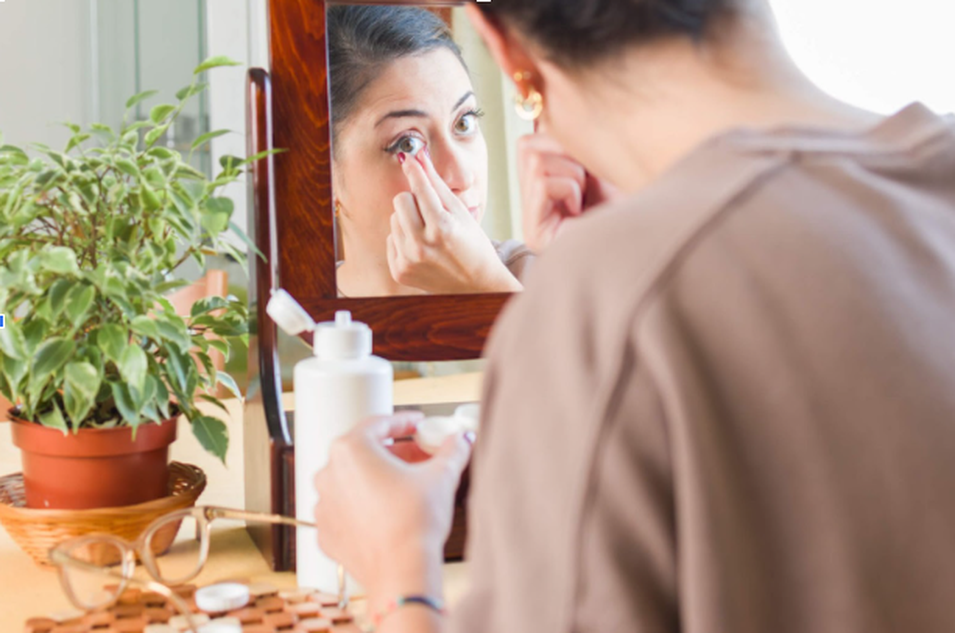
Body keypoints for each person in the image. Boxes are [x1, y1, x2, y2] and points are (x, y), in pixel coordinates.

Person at [314, 1, 955, 632]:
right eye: (404, 144)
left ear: (502, 46)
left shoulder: (608, 292)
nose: (454, 176)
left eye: (465, 122)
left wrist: (399, 574)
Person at [329, 6, 535, 297]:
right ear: (327, 175)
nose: (462, 176)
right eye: (407, 144)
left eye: (464, 123)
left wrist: (486, 286)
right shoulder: (290, 321)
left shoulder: (541, 279)